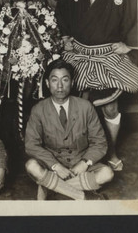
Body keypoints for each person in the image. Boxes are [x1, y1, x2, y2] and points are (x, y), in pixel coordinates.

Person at [56, 0, 138, 172]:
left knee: (110, 108)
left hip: (108, 56)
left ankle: (110, 152)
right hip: (79, 54)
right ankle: (77, 152)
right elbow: (61, 11)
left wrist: (128, 44)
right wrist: (65, 37)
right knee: (72, 104)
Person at [25, 59, 114, 200]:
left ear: (72, 83)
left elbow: (100, 142)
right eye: (54, 80)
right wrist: (55, 166)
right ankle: (80, 195)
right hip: (52, 165)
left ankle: (52, 187)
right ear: (47, 84)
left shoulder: (86, 107)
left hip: (80, 163)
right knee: (31, 166)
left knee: (107, 173)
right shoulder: (38, 110)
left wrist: (84, 163)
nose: (60, 86)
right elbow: (31, 145)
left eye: (65, 80)